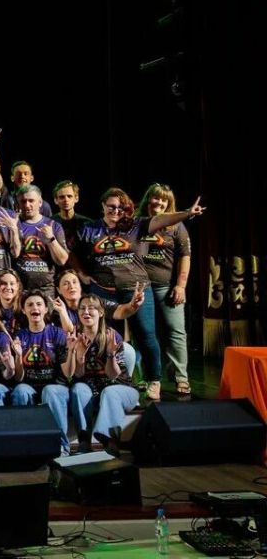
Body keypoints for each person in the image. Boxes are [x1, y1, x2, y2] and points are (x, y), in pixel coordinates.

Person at [75, 187, 203, 402]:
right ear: (103, 206)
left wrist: (187, 213)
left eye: (120, 208)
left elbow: (161, 220)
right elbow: (71, 253)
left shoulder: (136, 225)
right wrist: (81, 273)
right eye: (111, 207)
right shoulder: (89, 228)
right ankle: (112, 379)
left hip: (136, 289)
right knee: (107, 338)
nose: (115, 211)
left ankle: (154, 380)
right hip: (103, 292)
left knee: (146, 335)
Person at [136, 183, 193, 396]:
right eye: (155, 198)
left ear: (169, 203)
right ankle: (144, 377)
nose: (159, 202)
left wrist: (181, 285)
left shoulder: (176, 225)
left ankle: (181, 378)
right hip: (140, 287)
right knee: (143, 332)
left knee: (176, 332)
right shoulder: (136, 222)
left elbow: (185, 257)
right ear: (147, 199)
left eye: (164, 200)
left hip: (166, 287)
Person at [67, 293, 140, 451]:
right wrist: (80, 356)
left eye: (91, 308)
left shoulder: (112, 336)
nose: (86, 312)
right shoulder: (75, 337)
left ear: (101, 312)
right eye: (82, 308)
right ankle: (84, 441)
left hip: (121, 389)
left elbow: (113, 375)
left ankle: (109, 441)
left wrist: (110, 354)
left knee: (109, 392)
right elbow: (78, 375)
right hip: (92, 391)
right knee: (78, 389)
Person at [10, 290, 72, 455]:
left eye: (39, 304)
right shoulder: (19, 336)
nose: (34, 308)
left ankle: (61, 446)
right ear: (24, 310)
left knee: (49, 391)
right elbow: (18, 377)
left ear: (45, 309)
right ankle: (24, 445)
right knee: (20, 390)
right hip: (29, 386)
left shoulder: (57, 333)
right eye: (29, 305)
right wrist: (18, 356)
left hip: (56, 387)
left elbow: (67, 373)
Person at [0, 185, 68, 295]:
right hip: (19, 288)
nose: (27, 205)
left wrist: (51, 240)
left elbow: (62, 261)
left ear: (40, 202)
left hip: (46, 288)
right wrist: (14, 230)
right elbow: (14, 254)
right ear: (18, 203)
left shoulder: (53, 225)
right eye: (23, 201)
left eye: (31, 201)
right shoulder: (12, 224)